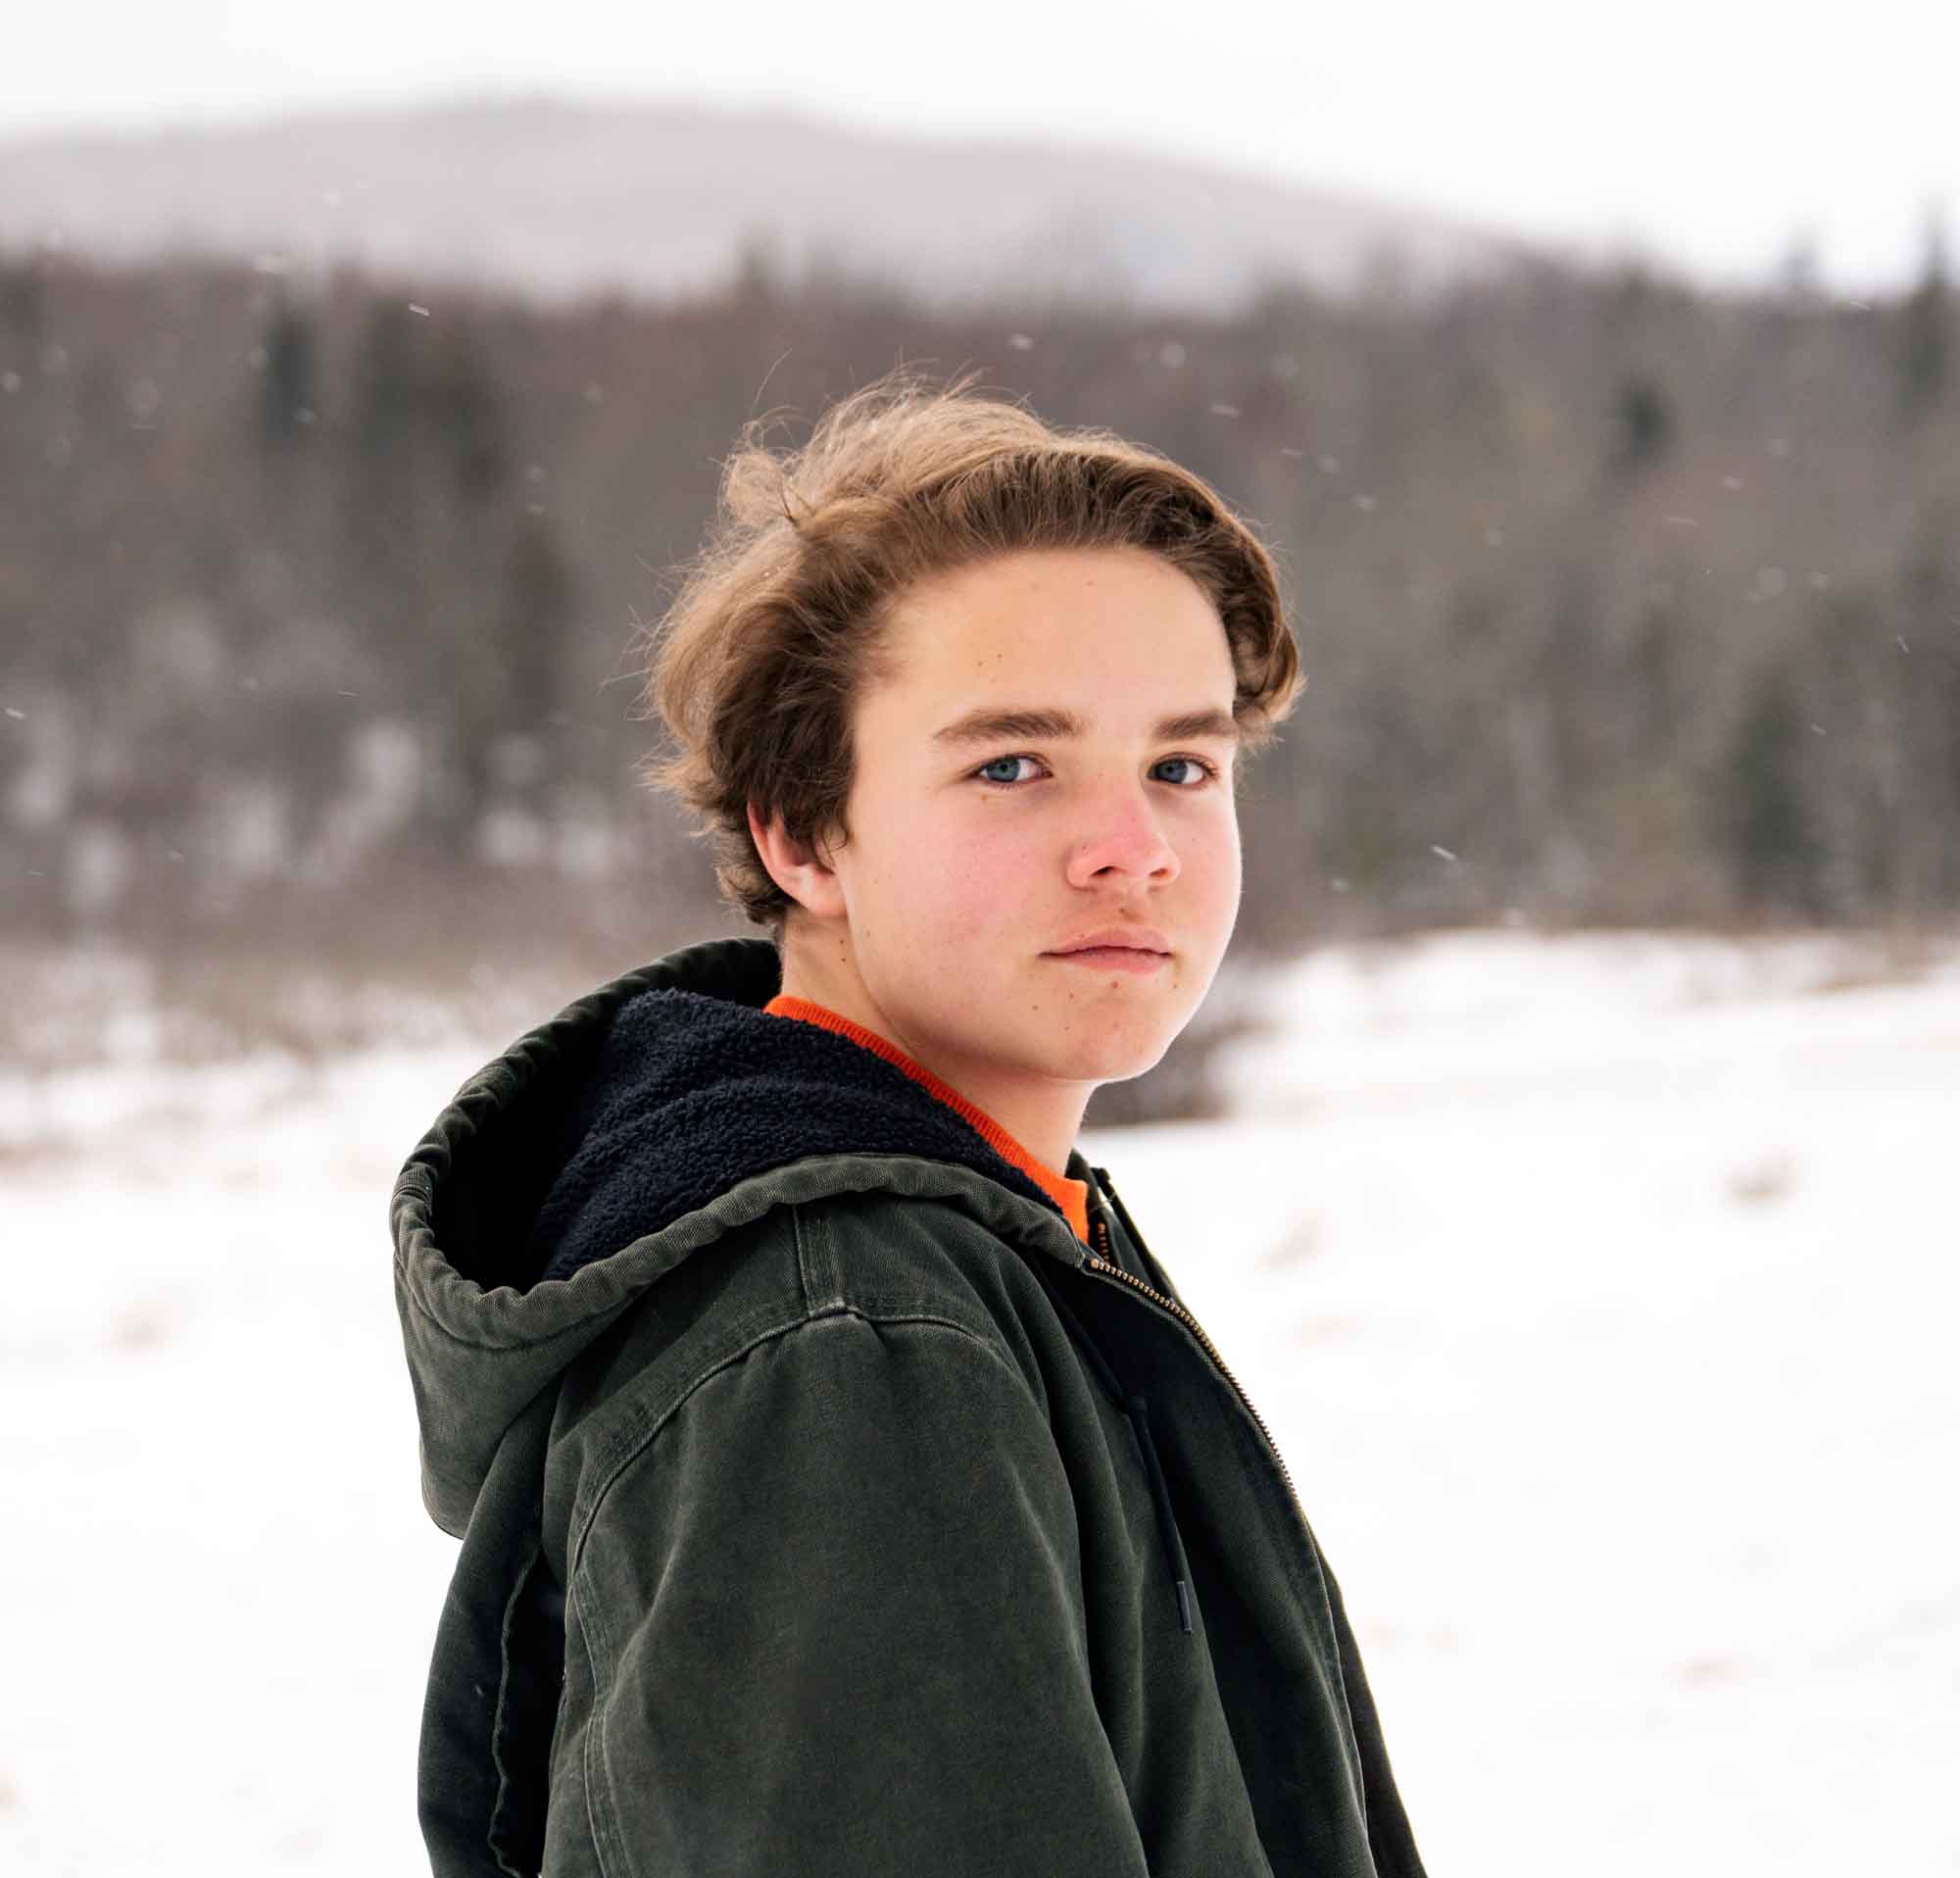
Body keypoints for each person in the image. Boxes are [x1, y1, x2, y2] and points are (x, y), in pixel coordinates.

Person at [392, 365, 1428, 1876]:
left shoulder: (976, 1240)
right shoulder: (847, 1340)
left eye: (1181, 765)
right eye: (1014, 765)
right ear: (804, 833)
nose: (1133, 849)